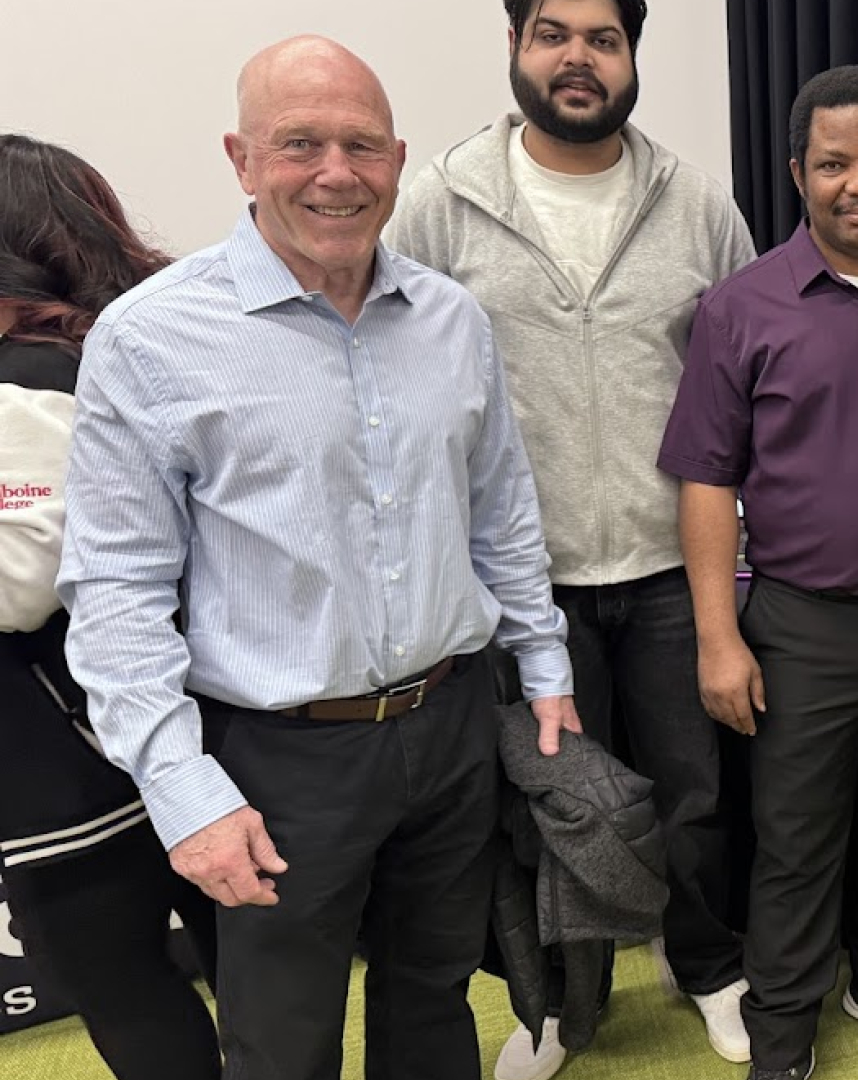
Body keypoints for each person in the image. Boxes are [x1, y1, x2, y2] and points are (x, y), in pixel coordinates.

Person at [56, 36, 581, 1080]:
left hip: (448, 727)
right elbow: (114, 596)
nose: (336, 174)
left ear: (397, 160)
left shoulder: (451, 320)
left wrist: (547, 664)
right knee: (283, 1037)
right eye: (300, 144)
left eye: (362, 145)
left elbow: (501, 512)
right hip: (275, 760)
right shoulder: (150, 338)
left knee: (434, 1002)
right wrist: (182, 788)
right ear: (241, 159)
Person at [388, 0, 758, 1072]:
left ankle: (707, 965)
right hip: (517, 582)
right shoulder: (440, 203)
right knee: (548, 809)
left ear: (631, 54)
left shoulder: (692, 202)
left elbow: (737, 386)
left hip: (667, 568)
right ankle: (556, 1009)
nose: (579, 59)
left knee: (690, 797)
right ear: (514, 47)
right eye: (555, 34)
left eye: (604, 38)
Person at [659, 64, 858, 1080]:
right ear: (798, 171)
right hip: (799, 623)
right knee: (794, 838)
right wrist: (719, 639)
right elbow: (705, 481)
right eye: (836, 163)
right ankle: (786, 1025)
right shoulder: (740, 309)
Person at [0, 134, 220, 1080]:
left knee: (135, 1000)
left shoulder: (29, 377)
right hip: (202, 729)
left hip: (72, 766)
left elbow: (22, 581)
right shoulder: (157, 340)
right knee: (259, 983)